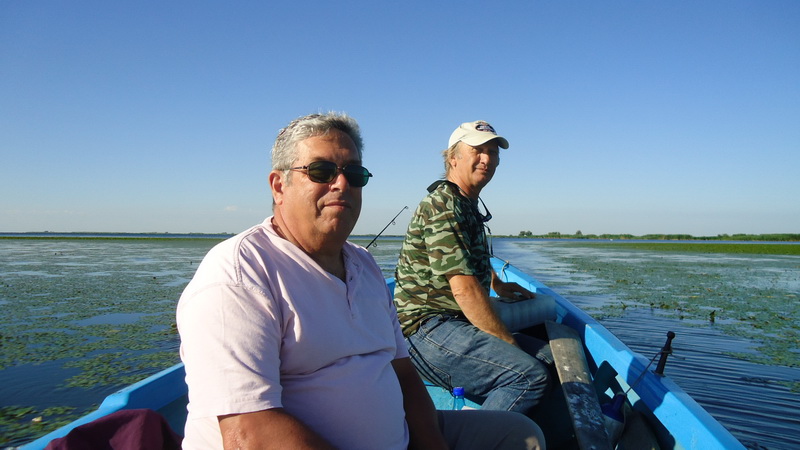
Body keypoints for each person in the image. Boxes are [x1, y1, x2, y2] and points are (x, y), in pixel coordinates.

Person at [177, 112, 545, 449]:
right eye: (321, 171)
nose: (341, 183)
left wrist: (433, 444)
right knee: (528, 375)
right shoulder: (239, 275)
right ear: (278, 186)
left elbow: (403, 372)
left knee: (522, 436)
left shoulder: (363, 265)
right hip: (432, 325)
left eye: (354, 174)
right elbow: (250, 434)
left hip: (400, 433)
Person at [394, 120, 554, 416]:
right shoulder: (443, 204)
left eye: (493, 152)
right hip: (425, 328)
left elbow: (467, 257)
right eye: (478, 150)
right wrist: (508, 344)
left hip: (456, 320)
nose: (487, 159)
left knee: (550, 358)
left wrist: (496, 283)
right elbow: (465, 291)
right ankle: (477, 434)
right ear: (453, 158)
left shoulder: (465, 204)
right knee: (528, 376)